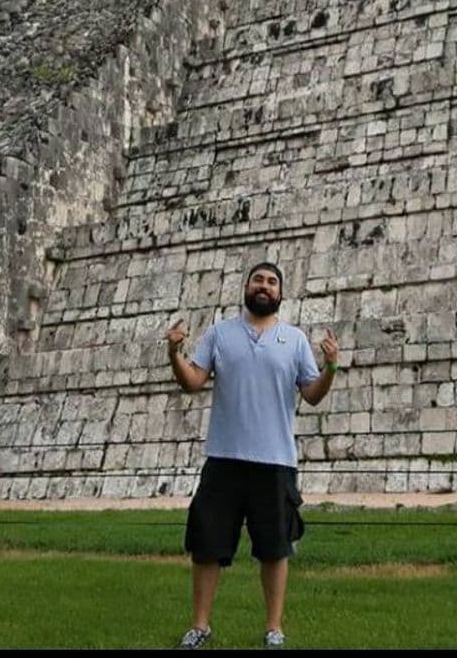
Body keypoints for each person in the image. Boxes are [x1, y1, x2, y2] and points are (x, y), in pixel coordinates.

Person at [166, 260, 339, 650]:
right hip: (224, 457)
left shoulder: (293, 339)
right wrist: (174, 353)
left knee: (275, 548)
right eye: (258, 280)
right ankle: (200, 626)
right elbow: (193, 380)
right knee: (207, 544)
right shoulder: (220, 334)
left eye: (272, 282)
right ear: (246, 288)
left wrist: (330, 366)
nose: (264, 286)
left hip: (275, 460)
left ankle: (273, 627)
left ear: (280, 293)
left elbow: (312, 393)